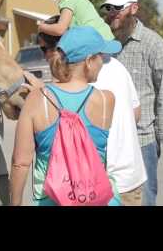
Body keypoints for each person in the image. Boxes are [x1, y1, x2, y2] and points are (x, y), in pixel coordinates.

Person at [34, 16, 147, 205]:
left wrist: (41, 95)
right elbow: (136, 113)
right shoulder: (117, 66)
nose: (45, 55)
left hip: (97, 184)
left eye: (45, 49)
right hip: (130, 174)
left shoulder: (85, 79)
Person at [10, 26, 122, 206]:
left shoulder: (37, 100)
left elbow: (20, 163)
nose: (103, 61)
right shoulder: (106, 99)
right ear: (88, 61)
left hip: (52, 200)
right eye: (101, 55)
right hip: (99, 198)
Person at [101, 0, 163, 206]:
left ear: (134, 8)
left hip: (142, 141)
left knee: (143, 200)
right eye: (109, 8)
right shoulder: (105, 44)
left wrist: (160, 136)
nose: (112, 13)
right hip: (106, 140)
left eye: (118, 8)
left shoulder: (154, 44)